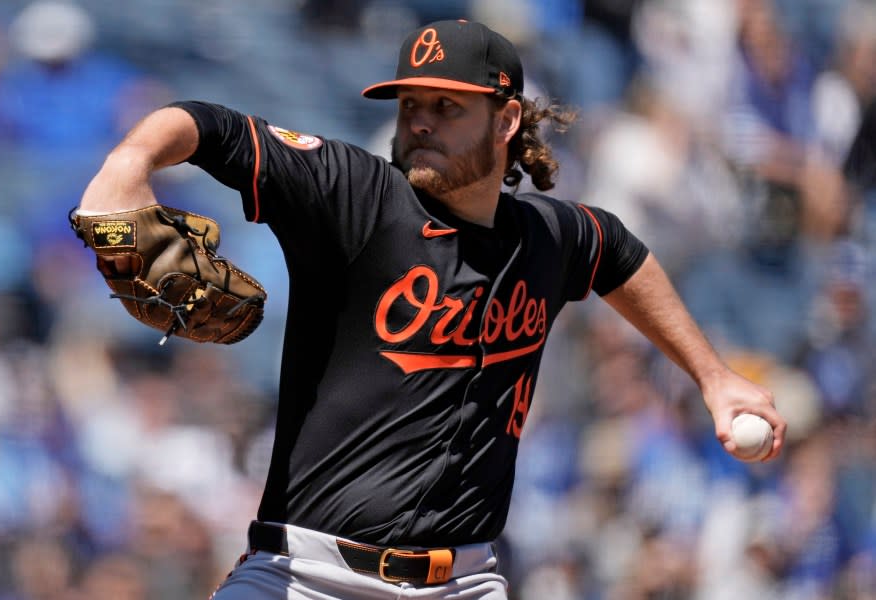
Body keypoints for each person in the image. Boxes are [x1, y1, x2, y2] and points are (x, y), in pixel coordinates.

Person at [76, 19, 786, 600]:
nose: (420, 122)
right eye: (411, 104)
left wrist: (713, 376)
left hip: (464, 583)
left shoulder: (547, 236)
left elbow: (620, 255)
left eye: (447, 107)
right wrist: (125, 168)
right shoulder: (353, 194)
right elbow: (210, 126)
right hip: (307, 577)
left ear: (507, 118)